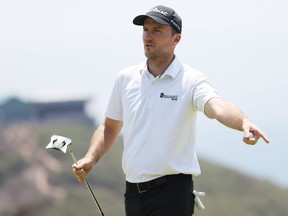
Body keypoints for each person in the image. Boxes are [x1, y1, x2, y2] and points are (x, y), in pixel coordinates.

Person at [72, 5, 270, 216]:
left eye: (157, 30)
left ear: (176, 39)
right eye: (146, 30)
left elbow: (217, 106)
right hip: (132, 193)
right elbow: (110, 127)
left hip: (172, 192)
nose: (148, 36)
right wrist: (91, 158)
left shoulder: (192, 80)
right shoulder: (125, 78)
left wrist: (243, 122)